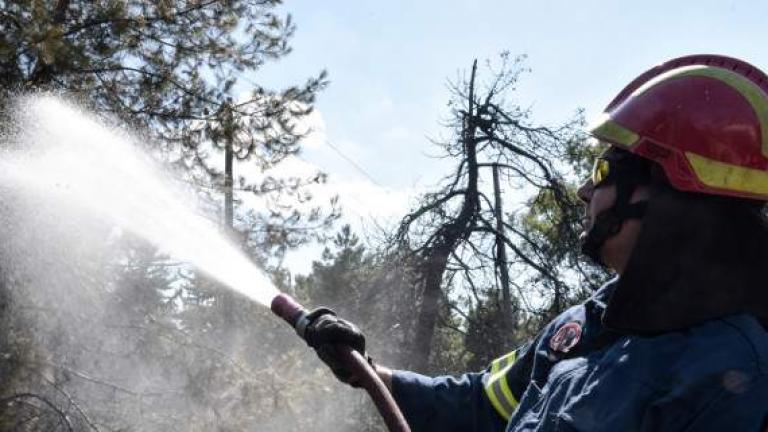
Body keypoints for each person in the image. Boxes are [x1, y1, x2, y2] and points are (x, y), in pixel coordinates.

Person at [303, 55, 768, 431]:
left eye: (603, 172)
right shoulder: (586, 324)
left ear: (671, 197)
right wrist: (368, 372)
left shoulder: (733, 371)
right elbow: (482, 406)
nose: (585, 191)